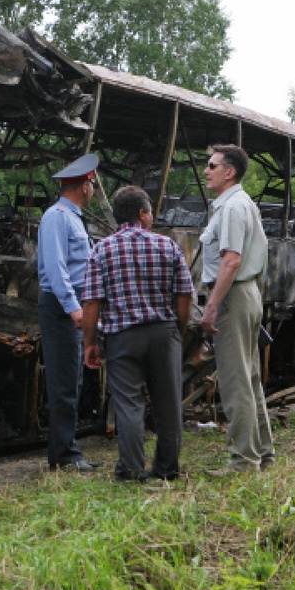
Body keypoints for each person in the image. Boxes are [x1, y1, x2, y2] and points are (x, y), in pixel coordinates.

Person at [82, 186, 194, 482]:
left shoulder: (101, 249)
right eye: (151, 212)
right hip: (163, 332)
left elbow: (92, 301)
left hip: (122, 337)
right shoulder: (168, 246)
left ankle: (131, 470)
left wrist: (89, 342)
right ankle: (167, 468)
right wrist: (177, 330)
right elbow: (184, 296)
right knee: (168, 405)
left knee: (129, 405)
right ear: (143, 214)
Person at [199, 144, 274, 475]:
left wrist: (211, 306)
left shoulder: (231, 208)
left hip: (235, 295)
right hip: (248, 293)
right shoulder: (243, 203)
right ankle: (263, 454)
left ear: (229, 172)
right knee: (251, 378)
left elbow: (231, 260)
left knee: (236, 381)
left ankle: (244, 461)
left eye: (212, 166)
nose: (206, 171)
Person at [38, 153, 100, 472]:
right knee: (64, 381)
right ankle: (63, 455)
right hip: (61, 306)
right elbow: (55, 266)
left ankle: (69, 449)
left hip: (72, 303)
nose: (93, 191)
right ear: (85, 185)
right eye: (92, 185)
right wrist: (75, 309)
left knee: (72, 378)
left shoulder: (72, 217)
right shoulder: (57, 216)